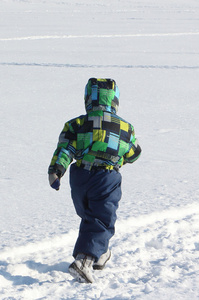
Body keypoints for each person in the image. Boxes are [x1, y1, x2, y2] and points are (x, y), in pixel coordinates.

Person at [48, 78, 142, 283]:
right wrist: (122, 157)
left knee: (90, 216)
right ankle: (84, 261)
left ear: (87, 98)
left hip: (80, 177)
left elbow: (65, 149)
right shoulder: (125, 128)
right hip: (106, 177)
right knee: (102, 219)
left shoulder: (76, 124)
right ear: (115, 100)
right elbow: (134, 153)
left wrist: (56, 171)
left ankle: (100, 254)